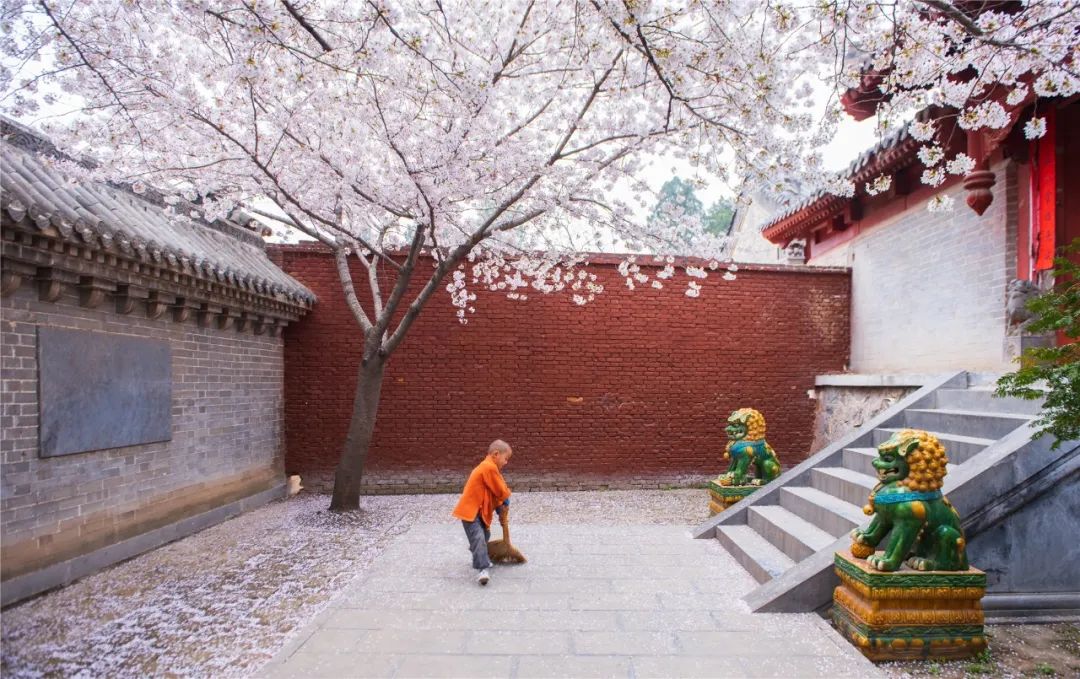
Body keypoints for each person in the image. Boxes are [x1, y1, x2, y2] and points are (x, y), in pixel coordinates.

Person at [451, 440, 512, 586]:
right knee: (479, 538)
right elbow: (500, 490)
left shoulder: (488, 468)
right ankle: (483, 569)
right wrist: (506, 498)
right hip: (470, 512)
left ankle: (477, 551)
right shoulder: (488, 467)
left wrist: (500, 508)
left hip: (479, 512)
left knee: (485, 536)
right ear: (496, 454)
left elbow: (491, 493)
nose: (506, 462)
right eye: (505, 458)